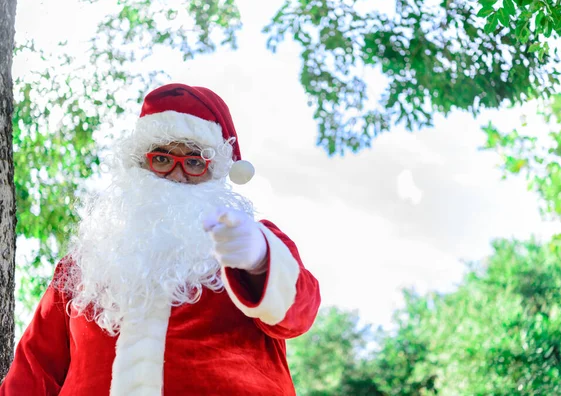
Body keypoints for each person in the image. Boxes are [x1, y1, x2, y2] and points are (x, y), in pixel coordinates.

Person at [0, 83, 321, 395]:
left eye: (194, 162)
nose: (176, 175)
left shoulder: (251, 240)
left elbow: (298, 316)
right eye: (163, 159)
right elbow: (33, 372)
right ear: (140, 165)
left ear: (214, 173)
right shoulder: (85, 263)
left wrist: (260, 259)